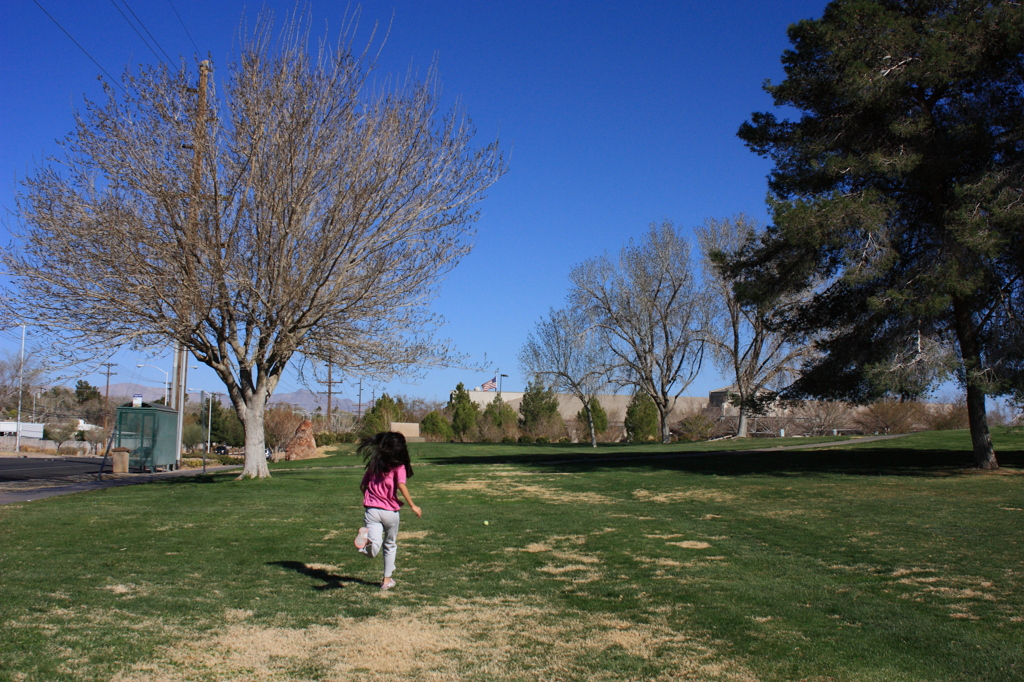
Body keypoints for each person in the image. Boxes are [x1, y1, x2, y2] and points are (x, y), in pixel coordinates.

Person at [353, 431, 422, 590]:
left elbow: (363, 486)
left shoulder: (374, 464)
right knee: (390, 544)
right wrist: (413, 505)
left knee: (374, 546)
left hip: (372, 511)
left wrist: (370, 498)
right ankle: (386, 581)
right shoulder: (399, 466)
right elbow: (401, 485)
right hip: (390, 512)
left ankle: (366, 542)